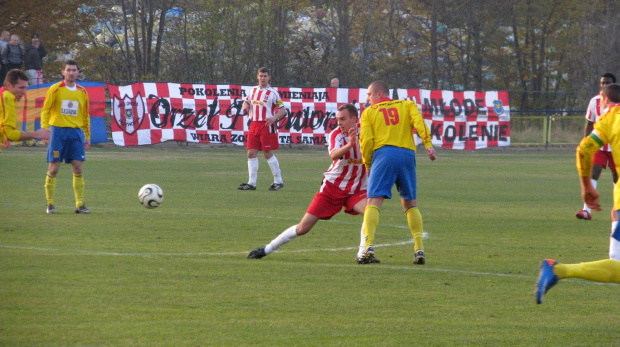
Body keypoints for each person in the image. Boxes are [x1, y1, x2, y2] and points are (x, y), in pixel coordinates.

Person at [248, 103, 375, 263]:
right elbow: (334, 155)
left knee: (370, 212)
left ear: (354, 119)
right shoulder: (336, 134)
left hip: (357, 189)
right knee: (303, 228)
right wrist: (350, 144)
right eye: (337, 119)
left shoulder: (367, 134)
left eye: (343, 119)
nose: (339, 123)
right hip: (332, 188)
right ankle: (267, 249)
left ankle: (362, 254)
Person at [536, 83, 620, 304]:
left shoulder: (610, 119)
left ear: (604, 100)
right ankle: (559, 270)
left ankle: (559, 270)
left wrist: (587, 187)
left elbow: (584, 149)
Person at [358, 80, 436, 265]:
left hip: (384, 154)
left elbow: (366, 141)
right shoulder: (407, 104)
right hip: (407, 154)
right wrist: (428, 145)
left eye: (369, 94)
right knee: (410, 203)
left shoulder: (369, 112)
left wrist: (368, 163)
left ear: (379, 94)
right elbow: (420, 123)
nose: (367, 98)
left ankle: (368, 245)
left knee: (374, 201)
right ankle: (419, 248)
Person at [40, 60, 91, 214]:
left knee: (77, 166)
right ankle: (50, 204)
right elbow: (45, 110)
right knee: (54, 168)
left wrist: (87, 135)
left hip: (75, 133)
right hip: (58, 133)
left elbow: (85, 115)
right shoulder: (55, 89)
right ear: (63, 72)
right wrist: (45, 130)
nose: (71, 73)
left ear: (78, 73)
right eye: (68, 70)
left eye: (74, 70)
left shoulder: (82, 92)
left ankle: (80, 204)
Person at [575, 73, 618, 221]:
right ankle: (586, 210)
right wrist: (586, 141)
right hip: (599, 146)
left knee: (616, 178)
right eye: (602, 83)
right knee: (594, 171)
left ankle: (617, 208)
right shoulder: (594, 101)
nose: (604, 85)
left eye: (607, 83)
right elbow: (589, 124)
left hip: (615, 147)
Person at [238, 67, 287, 191]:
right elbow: (246, 102)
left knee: (267, 153)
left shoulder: (273, 93)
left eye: (265, 76)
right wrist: (245, 106)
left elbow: (283, 110)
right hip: (254, 124)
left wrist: (274, 117)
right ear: (257, 76)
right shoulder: (253, 90)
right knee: (251, 153)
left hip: (266, 125)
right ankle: (252, 183)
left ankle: (278, 180)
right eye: (261, 76)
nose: (263, 78)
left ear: (269, 77)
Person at [0, 69, 50, 153]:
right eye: (21, 87)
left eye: (26, 88)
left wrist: (3, 137)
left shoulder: (3, 94)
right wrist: (36, 134)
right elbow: (10, 134)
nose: (24, 92)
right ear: (9, 85)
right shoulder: (7, 97)